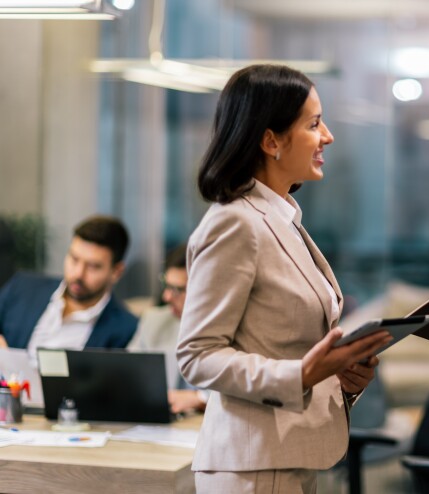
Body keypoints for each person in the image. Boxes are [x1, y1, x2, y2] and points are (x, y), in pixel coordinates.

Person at [176, 64, 392, 493]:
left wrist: (343, 374)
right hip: (253, 466)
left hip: (288, 457)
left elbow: (286, 343)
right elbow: (197, 355)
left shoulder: (282, 219)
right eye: (313, 124)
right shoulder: (235, 224)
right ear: (270, 140)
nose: (327, 136)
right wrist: (301, 375)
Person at [0, 215, 137, 358]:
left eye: (93, 266)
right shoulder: (23, 288)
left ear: (116, 272)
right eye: (74, 259)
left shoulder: (125, 329)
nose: (78, 273)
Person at [128, 243, 207, 414]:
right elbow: (126, 376)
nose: (167, 296)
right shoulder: (154, 321)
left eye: (178, 289)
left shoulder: (233, 331)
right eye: (167, 285)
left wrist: (199, 398)